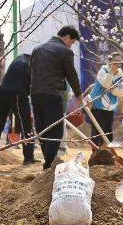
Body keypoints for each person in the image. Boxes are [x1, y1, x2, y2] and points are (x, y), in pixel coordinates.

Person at [29, 26, 83, 169]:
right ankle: (50, 164)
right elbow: (71, 75)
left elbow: (31, 72)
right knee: (56, 130)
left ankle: (48, 161)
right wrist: (79, 95)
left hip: (35, 94)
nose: (71, 45)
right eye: (72, 42)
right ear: (67, 37)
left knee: (42, 129)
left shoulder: (37, 49)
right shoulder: (65, 51)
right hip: (52, 95)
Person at [0, 54, 37, 166]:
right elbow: (33, 86)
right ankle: (28, 157)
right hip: (18, 93)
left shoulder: (19, 59)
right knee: (26, 125)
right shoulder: (34, 64)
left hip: (1, 92)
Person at [88, 53, 123, 148]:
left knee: (108, 130)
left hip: (110, 107)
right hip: (97, 105)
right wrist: (111, 73)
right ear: (110, 61)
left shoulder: (120, 74)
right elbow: (106, 85)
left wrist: (114, 90)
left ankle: (107, 152)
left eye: (120, 62)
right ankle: (95, 152)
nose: (117, 64)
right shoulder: (103, 71)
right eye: (116, 61)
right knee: (97, 130)